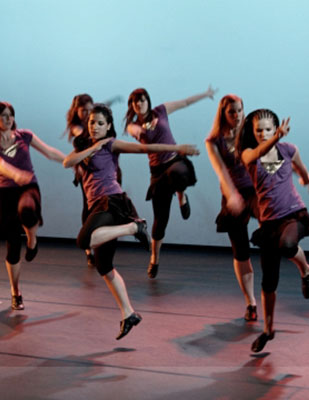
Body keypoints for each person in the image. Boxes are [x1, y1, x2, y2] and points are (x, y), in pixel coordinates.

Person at [63, 103, 199, 340]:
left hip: (112, 202)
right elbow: (68, 162)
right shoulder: (86, 146)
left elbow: (144, 148)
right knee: (104, 266)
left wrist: (177, 148)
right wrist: (94, 147)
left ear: (109, 126)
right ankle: (128, 313)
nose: (95, 127)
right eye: (92, 122)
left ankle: (134, 227)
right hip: (98, 206)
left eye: (100, 123)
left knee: (83, 240)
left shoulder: (112, 145)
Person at [237, 108, 309, 352]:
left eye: (269, 129)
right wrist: (276, 138)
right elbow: (257, 152)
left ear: (276, 129)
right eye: (259, 130)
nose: (264, 134)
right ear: (253, 132)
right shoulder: (248, 155)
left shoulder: (289, 150)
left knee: (287, 245)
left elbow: (301, 172)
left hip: (294, 214)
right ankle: (268, 330)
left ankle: (305, 269)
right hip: (269, 223)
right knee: (268, 283)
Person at [124, 86, 216, 279]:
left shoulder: (161, 110)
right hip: (157, 172)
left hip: (175, 160)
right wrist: (143, 129)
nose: (139, 104)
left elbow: (185, 102)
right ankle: (154, 259)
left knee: (178, 172)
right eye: (135, 101)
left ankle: (181, 196)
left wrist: (205, 94)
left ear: (148, 101)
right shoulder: (132, 126)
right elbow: (142, 137)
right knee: (160, 221)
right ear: (132, 106)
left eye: (142, 100)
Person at [0, 101, 66, 311]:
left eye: (10, 115)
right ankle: (16, 292)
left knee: (27, 210)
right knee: (12, 247)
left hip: (29, 187)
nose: (8, 119)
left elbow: (49, 152)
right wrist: (14, 174)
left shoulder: (24, 136)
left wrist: (71, 162)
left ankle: (32, 240)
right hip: (6, 192)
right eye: (3, 115)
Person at [205, 94, 258, 321]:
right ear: (223, 114)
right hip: (232, 194)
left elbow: (271, 156)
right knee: (241, 251)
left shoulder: (251, 133)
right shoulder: (213, 141)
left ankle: (305, 269)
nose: (236, 115)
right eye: (231, 112)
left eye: (239, 110)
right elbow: (221, 172)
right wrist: (232, 196)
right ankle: (251, 303)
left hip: (256, 190)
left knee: (280, 232)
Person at [65, 94, 123, 268]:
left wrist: (110, 103)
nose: (87, 114)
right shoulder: (77, 128)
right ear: (77, 111)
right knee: (89, 208)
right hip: (87, 171)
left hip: (106, 171)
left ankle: (107, 242)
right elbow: (81, 140)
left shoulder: (97, 125)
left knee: (111, 205)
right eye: (83, 111)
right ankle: (89, 249)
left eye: (89, 110)